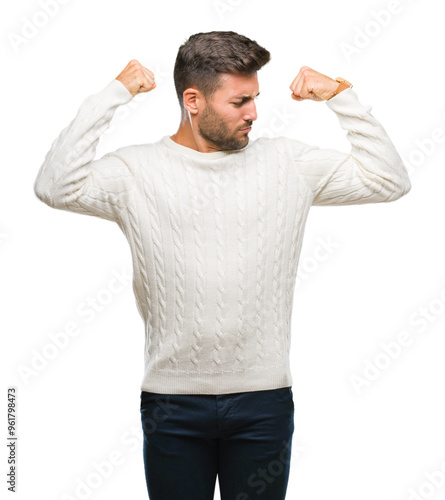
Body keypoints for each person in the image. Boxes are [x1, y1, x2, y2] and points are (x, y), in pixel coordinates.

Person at [33, 30, 411, 500]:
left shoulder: (288, 163)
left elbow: (389, 180)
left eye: (255, 98)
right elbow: (54, 186)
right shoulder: (135, 172)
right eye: (240, 102)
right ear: (193, 100)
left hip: (264, 402)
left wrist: (341, 95)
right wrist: (114, 93)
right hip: (171, 404)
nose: (254, 112)